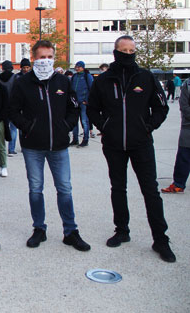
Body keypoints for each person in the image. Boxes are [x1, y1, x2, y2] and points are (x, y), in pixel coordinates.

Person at [87, 35, 175, 263]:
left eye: (132, 50)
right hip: (114, 144)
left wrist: (148, 127)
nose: (128, 54)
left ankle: (160, 239)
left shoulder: (145, 77)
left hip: (141, 143)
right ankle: (122, 230)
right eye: (124, 50)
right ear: (115, 52)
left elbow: (161, 106)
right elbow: (92, 109)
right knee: (118, 188)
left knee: (151, 190)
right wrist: (105, 127)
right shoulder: (103, 80)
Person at [8, 40, 90, 252]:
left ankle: (70, 231)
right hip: (33, 146)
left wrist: (66, 126)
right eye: (41, 57)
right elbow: (13, 110)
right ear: (34, 57)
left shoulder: (63, 81)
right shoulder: (23, 82)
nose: (45, 61)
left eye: (49, 57)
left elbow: (73, 109)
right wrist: (28, 127)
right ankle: (39, 229)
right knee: (36, 188)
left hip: (59, 145)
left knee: (64, 188)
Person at [162, 78, 189, 194]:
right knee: (184, 157)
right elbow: (184, 107)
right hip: (188, 128)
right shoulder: (187, 84)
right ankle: (178, 183)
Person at [70, 61, 94, 147]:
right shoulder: (74, 77)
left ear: (83, 67)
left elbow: (92, 89)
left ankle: (85, 139)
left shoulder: (87, 76)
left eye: (79, 67)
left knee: (84, 121)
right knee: (74, 122)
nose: (77, 68)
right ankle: (75, 139)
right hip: (75, 103)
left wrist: (86, 100)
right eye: (76, 67)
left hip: (83, 102)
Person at [0, 60, 17, 156]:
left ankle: (0, 148)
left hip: (2, 107)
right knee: (13, 129)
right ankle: (11, 149)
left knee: (1, 128)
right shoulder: (15, 78)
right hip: (13, 106)